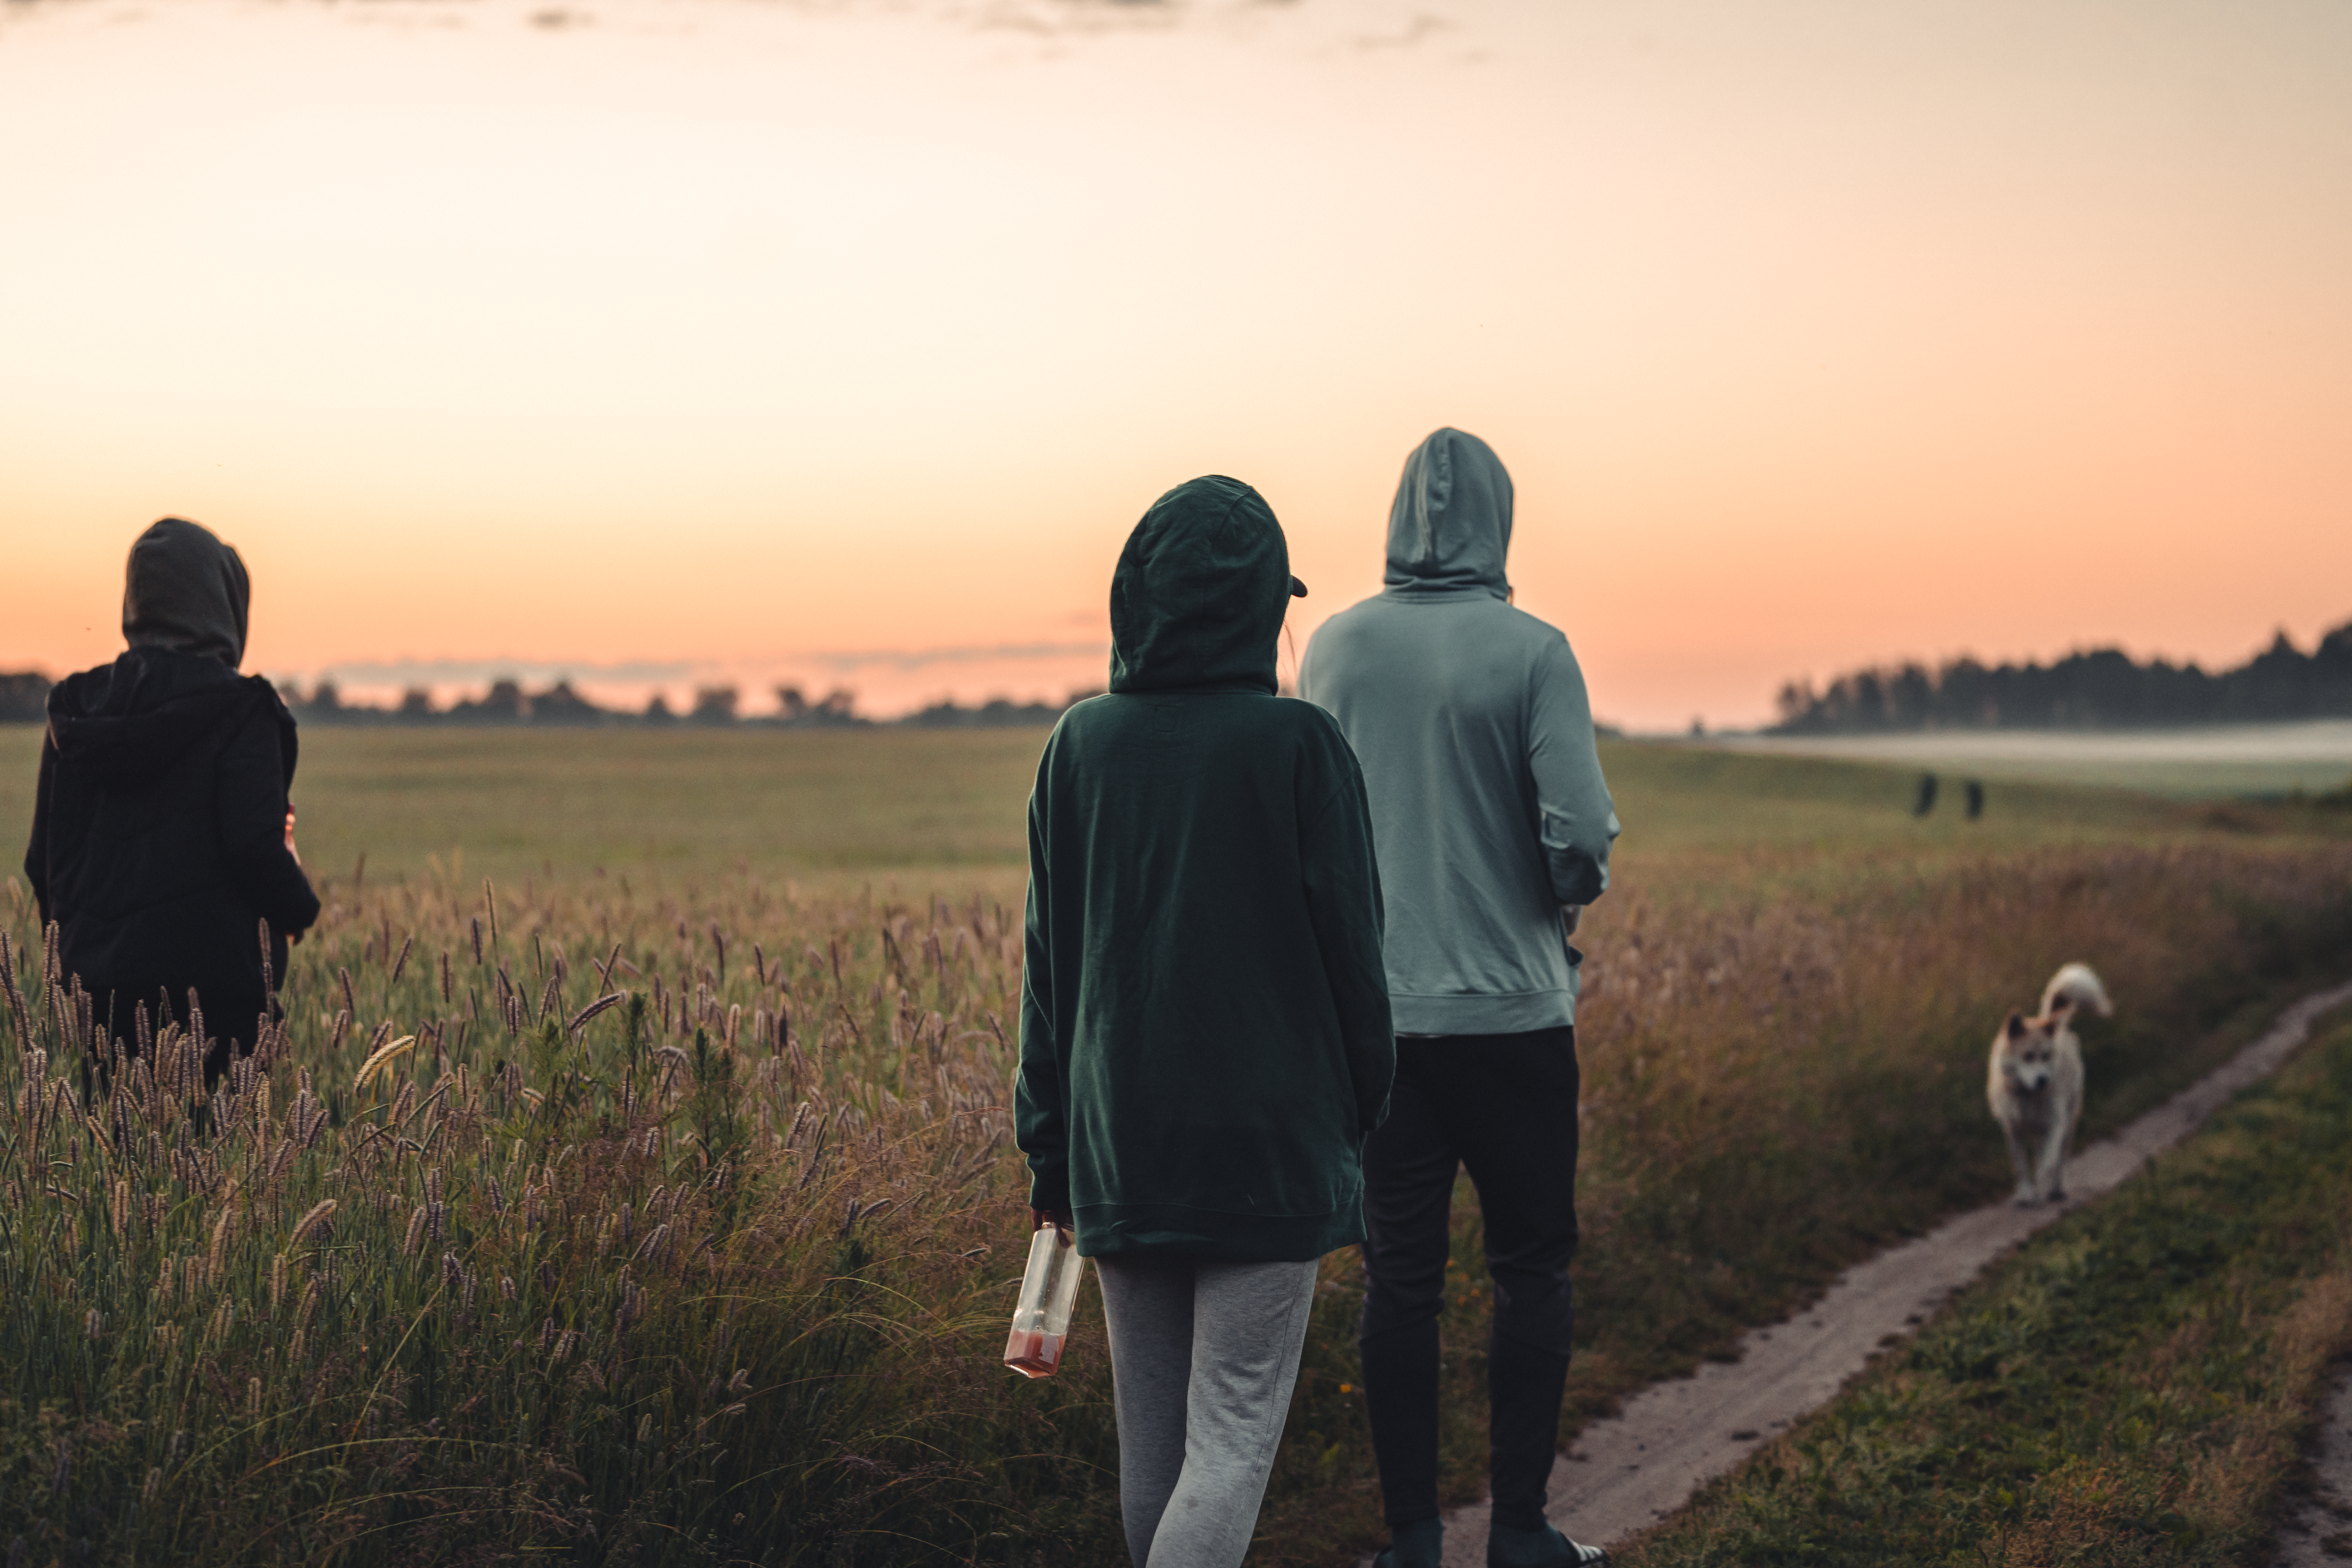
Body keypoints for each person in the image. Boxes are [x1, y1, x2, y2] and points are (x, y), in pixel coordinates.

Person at [1016, 475, 1396, 1568]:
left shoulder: (1075, 749)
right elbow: (1353, 967)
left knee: (1158, 1450)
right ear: (1258, 610)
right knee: (1229, 1437)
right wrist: (1359, 1117)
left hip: (1118, 1140)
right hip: (1268, 1143)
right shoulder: (1301, 746)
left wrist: (1050, 1141)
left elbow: (1052, 972)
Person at [1299, 429, 1620, 1568]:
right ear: (1501, 518)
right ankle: (1522, 1532)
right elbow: (1577, 834)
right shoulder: (1533, 650)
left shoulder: (1331, 649)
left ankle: (1410, 1540)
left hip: (1380, 1027)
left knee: (1401, 1277)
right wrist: (1554, 899)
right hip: (1514, 1020)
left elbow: (1313, 835)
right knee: (1529, 1268)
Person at [22, 517, 320, 1079]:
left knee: (114, 1161)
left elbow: (43, 861)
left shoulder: (78, 708)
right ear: (223, 605)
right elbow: (254, 846)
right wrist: (299, 909)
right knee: (218, 1161)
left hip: (99, 998)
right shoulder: (243, 709)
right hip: (218, 1002)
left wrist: (83, 961)